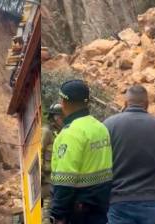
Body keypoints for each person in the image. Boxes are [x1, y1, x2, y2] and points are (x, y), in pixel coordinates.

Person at [103, 85, 155, 224]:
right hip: (150, 201)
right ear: (147, 104)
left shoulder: (109, 125)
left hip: (118, 201)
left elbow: (99, 163)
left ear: (125, 103)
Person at [50, 79, 112, 224]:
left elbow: (65, 179)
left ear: (63, 102)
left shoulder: (70, 133)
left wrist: (57, 214)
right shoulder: (101, 128)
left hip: (78, 210)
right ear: (87, 102)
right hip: (100, 206)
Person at [42, 103, 64, 224]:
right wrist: (40, 175)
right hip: (46, 179)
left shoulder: (61, 133)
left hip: (57, 178)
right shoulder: (46, 132)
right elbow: (38, 152)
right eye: (62, 117)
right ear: (56, 117)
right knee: (47, 209)